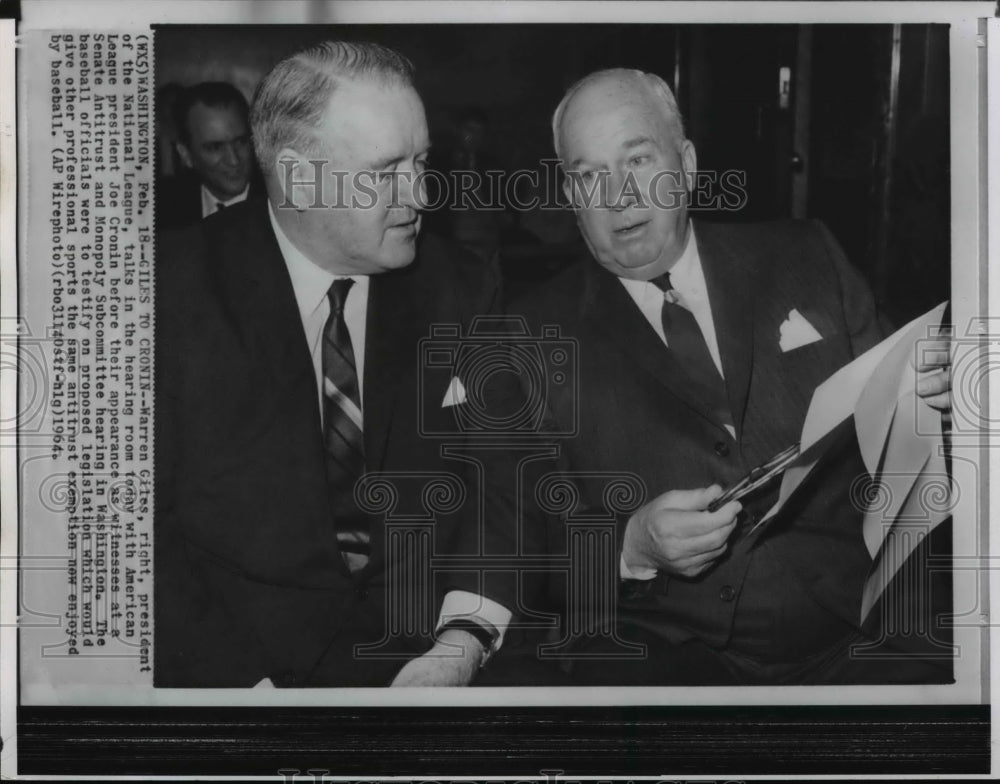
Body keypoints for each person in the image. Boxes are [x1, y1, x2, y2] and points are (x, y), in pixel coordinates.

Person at [394, 68, 953, 687]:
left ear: (685, 165)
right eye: (588, 176)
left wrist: (937, 406)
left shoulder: (807, 256)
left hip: (869, 632)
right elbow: (509, 539)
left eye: (638, 160)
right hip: (667, 663)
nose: (618, 196)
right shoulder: (523, 334)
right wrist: (631, 547)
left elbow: (913, 432)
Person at [154, 42, 505, 687]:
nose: (421, 194)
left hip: (426, 654)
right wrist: (237, 694)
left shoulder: (463, 285)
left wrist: (463, 642)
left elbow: (496, 489)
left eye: (422, 162)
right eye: (385, 170)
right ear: (297, 178)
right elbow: (134, 528)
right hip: (237, 673)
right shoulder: (163, 292)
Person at [157, 81, 261, 229]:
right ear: (186, 155)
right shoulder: (164, 209)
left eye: (240, 142)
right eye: (215, 147)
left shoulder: (285, 202)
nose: (233, 160)